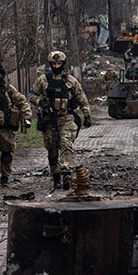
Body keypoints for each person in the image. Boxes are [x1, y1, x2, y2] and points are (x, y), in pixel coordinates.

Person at [29, 50, 93, 190]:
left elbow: (81, 97)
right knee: (52, 150)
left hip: (67, 118)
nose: (56, 66)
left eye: (59, 63)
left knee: (66, 143)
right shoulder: (42, 80)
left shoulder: (70, 80)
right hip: (49, 120)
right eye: (54, 64)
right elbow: (32, 95)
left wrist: (87, 115)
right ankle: (56, 177)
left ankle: (66, 174)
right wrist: (42, 103)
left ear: (63, 64)